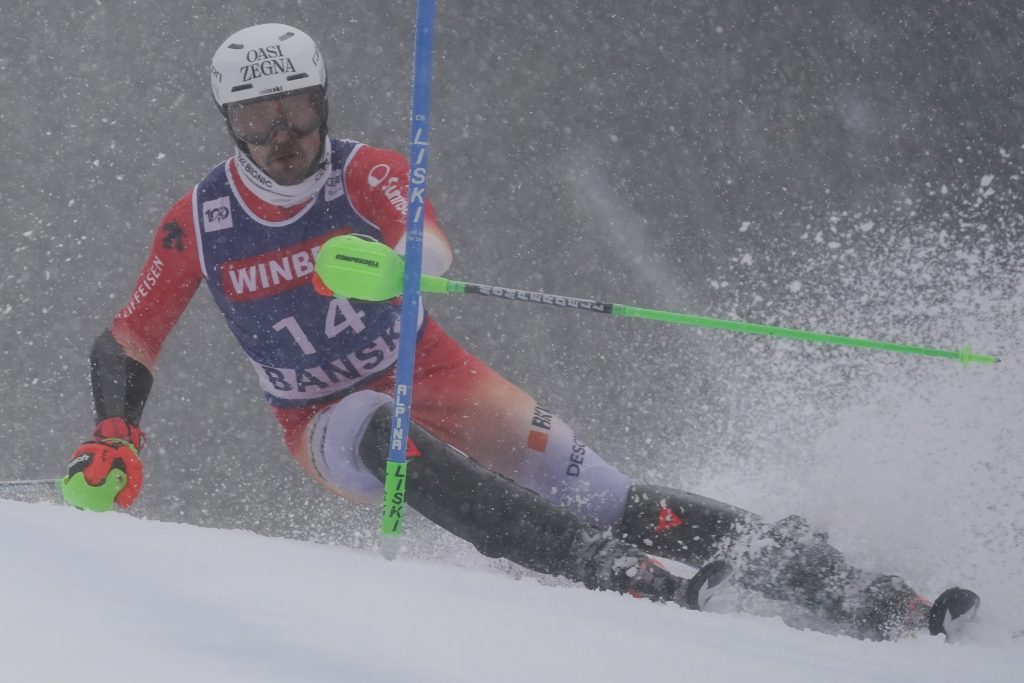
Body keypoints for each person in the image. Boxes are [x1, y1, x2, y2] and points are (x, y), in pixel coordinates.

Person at [62, 23, 972, 640]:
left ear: (323, 102)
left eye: (297, 109)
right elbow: (130, 335)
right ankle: (614, 573)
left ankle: (850, 587)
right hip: (321, 418)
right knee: (384, 435)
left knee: (611, 493)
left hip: (433, 368)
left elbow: (431, 236)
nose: (283, 136)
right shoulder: (203, 218)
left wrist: (404, 263)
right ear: (231, 124)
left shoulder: (364, 170)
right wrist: (115, 430)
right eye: (258, 122)